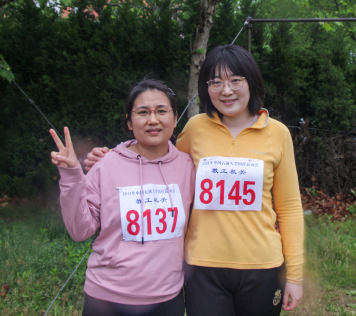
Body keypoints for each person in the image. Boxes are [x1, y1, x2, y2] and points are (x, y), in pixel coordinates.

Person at [85, 45, 304, 316]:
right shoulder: (196, 128)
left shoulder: (278, 134)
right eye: (216, 82)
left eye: (236, 80)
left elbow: (290, 208)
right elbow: (160, 161)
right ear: (206, 88)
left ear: (252, 82)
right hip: (202, 268)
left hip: (263, 266)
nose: (226, 90)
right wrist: (112, 157)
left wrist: (295, 275)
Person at [50, 79, 195, 316]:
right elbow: (80, 230)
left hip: (167, 298)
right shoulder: (106, 165)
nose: (153, 120)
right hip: (107, 298)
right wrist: (72, 175)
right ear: (129, 121)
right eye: (143, 112)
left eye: (161, 111)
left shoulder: (188, 166)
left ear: (175, 117)